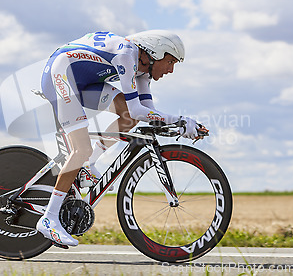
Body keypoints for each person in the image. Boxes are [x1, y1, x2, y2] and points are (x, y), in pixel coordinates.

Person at [36, 30, 207, 247]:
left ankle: (88, 164)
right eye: (170, 61)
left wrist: (179, 125)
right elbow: (139, 110)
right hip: (61, 75)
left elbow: (146, 112)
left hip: (86, 81)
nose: (171, 70)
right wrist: (179, 120)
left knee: (126, 117)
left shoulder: (144, 70)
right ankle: (49, 218)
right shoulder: (127, 55)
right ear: (155, 52)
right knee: (80, 149)